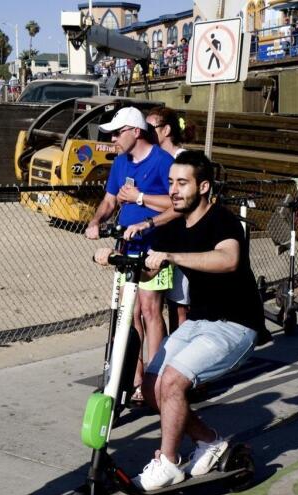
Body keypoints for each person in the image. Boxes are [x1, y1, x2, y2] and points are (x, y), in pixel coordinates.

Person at [92, 151, 266, 490]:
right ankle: (210, 442)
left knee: (172, 382)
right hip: (199, 322)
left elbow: (228, 260)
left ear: (203, 187)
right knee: (153, 388)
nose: (173, 190)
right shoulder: (173, 229)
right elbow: (147, 268)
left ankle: (168, 461)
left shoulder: (222, 221)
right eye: (171, 182)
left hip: (236, 324)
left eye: (182, 183)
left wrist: (171, 256)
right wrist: (116, 260)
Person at [84, 106, 177, 405]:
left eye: (117, 132)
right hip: (127, 248)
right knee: (129, 312)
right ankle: (133, 380)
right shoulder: (120, 163)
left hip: (154, 247)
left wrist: (139, 199)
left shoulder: (163, 161)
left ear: (135, 131)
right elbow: (110, 200)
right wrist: (96, 221)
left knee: (151, 311)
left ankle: (155, 379)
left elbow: (176, 204)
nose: (112, 138)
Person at [145, 106, 191, 333]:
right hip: (161, 241)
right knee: (158, 307)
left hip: (182, 241)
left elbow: (184, 205)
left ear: (166, 130)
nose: (146, 132)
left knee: (179, 306)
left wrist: (142, 199)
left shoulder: (182, 159)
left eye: (150, 127)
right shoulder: (153, 158)